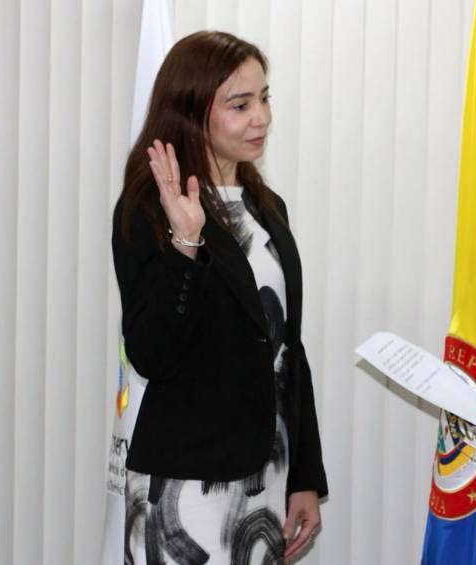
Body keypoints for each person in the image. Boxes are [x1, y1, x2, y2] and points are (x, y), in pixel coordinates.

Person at [112, 31, 327, 564]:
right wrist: (186, 241)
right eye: (240, 104)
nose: (262, 117)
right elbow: (151, 352)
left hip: (266, 478)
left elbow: (286, 351)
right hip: (186, 486)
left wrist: (304, 476)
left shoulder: (266, 205)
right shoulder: (147, 206)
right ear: (191, 113)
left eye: (264, 98)